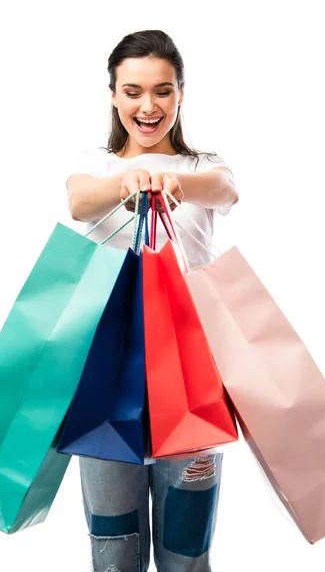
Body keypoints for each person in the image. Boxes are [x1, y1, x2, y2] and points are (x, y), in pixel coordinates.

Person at [65, 29, 239, 572]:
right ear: (113, 95)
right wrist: (126, 184)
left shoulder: (203, 165)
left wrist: (171, 181)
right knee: (113, 549)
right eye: (133, 90)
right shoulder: (95, 163)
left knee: (186, 550)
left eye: (163, 91)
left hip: (191, 381)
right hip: (102, 386)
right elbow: (78, 202)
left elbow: (226, 190)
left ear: (180, 94)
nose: (148, 106)